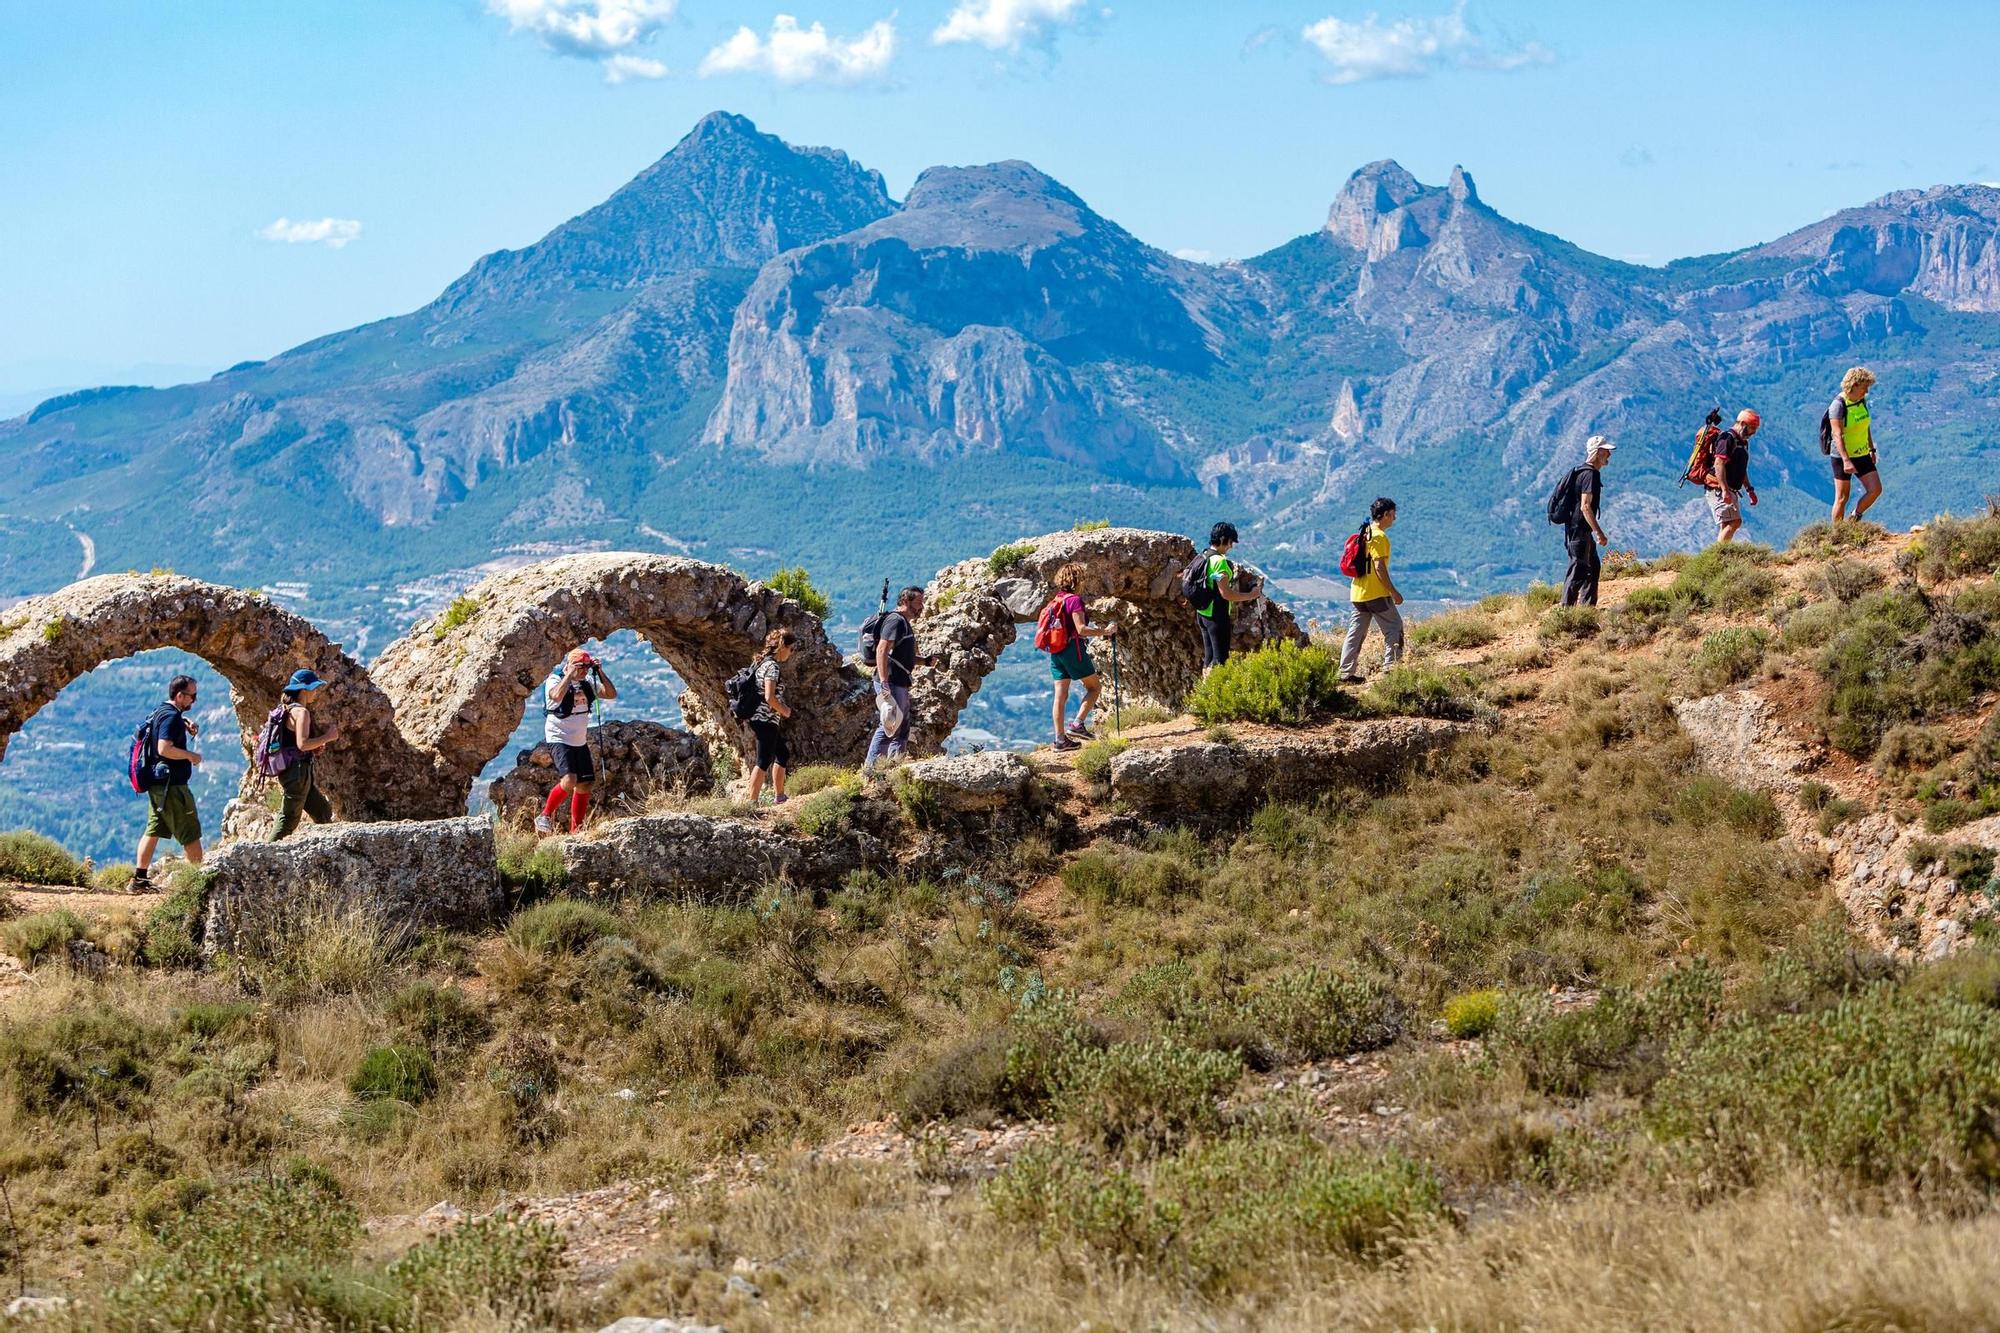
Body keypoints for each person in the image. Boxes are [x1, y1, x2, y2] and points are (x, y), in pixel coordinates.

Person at [534, 648, 617, 835]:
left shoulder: (587, 683)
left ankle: (576, 830)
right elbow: (555, 696)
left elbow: (611, 694)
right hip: (559, 737)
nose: (583, 672)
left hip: (579, 740)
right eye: (580, 667)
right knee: (570, 779)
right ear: (569, 665)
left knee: (585, 783)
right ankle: (545, 815)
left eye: (586, 668)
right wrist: (569, 674)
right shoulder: (555, 680)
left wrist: (600, 672)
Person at [133, 674, 203, 887]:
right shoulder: (171, 717)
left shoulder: (162, 711)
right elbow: (164, 748)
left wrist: (183, 722)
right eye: (192, 695)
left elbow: (163, 728)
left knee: (153, 829)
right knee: (190, 832)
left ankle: (139, 879)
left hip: (157, 785)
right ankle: (198, 884)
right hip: (172, 788)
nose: (195, 700)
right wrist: (191, 756)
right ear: (180, 695)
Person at [1041, 563, 1120, 751]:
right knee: (1094, 687)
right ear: (1077, 580)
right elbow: (1081, 629)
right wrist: (1105, 631)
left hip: (1056, 651)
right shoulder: (1074, 600)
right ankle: (1077, 724)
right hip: (1072, 650)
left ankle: (1060, 740)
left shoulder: (1056, 600)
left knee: (1060, 695)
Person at [867, 587, 938, 769]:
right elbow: (882, 650)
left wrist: (925, 661)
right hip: (891, 681)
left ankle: (893, 768)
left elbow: (903, 657)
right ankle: (871, 770)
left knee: (901, 728)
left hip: (899, 681)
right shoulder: (895, 621)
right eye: (918, 603)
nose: (921, 607)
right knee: (890, 725)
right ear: (906, 601)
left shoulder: (904, 623)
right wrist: (884, 683)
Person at [270, 668, 342, 841]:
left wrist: (314, 747)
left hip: (294, 771)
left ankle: (330, 847)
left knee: (322, 811)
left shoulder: (287, 709)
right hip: (298, 772)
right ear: (304, 690)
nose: (316, 692)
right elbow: (302, 744)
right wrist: (328, 737)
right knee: (288, 819)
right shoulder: (302, 712)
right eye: (314, 688)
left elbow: (294, 743)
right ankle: (266, 854)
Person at [1339, 498, 1404, 683]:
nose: (1394, 518)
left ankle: (1345, 673)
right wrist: (1393, 591)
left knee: (1355, 633)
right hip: (1376, 592)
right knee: (1394, 628)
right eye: (1392, 514)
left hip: (1358, 593)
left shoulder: (1365, 533)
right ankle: (1391, 670)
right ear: (1384, 515)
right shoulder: (1380, 537)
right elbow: (1379, 567)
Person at [1195, 521, 1265, 673]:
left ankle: (1205, 690)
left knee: (1209, 658)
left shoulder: (1204, 555)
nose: (1231, 546)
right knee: (1220, 661)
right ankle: (1216, 693)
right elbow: (1226, 593)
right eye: (1230, 542)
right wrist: (1251, 595)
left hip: (1202, 614)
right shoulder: (1219, 562)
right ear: (1222, 540)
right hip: (1216, 616)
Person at [1561, 436, 1613, 607]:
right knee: (1578, 570)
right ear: (1597, 453)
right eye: (1606, 451)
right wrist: (1599, 533)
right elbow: (1585, 506)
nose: (1609, 455)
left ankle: (1586, 610)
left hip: (1578, 529)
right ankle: (1565, 613)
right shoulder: (1589, 475)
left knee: (1592, 567)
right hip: (1580, 530)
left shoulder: (1583, 472)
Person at [746, 629, 796, 805]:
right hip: (765, 719)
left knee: (782, 753)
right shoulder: (772, 667)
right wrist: (785, 711)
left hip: (763, 719)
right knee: (763, 760)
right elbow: (769, 696)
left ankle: (780, 796)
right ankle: (751, 803)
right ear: (783, 646)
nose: (792, 653)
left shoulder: (762, 663)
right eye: (791, 649)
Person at [1830, 367, 1883, 524]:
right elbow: (1837, 435)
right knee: (1842, 498)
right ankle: (1837, 536)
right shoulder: (1838, 405)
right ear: (1854, 385)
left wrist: (1871, 448)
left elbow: (1865, 426)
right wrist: (1846, 460)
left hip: (1862, 453)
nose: (1866, 391)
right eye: (1864, 387)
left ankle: (1854, 518)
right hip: (1842, 456)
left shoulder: (1861, 401)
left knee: (1875, 489)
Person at [1706, 409, 1760, 544]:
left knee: (1727, 524)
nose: (1753, 432)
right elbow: (1719, 464)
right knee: (1735, 522)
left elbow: (1741, 469)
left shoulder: (1742, 443)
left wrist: (1749, 489)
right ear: (1742, 423)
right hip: (1718, 488)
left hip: (1730, 489)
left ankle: (1719, 558)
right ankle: (1718, 557)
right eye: (1751, 428)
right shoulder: (1727, 439)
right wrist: (1724, 490)